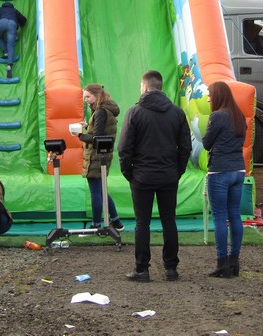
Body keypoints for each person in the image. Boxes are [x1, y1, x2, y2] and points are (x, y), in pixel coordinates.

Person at [118, 70, 192, 283]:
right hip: (168, 175)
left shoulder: (134, 113)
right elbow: (185, 147)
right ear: (160, 86)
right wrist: (177, 170)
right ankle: (171, 268)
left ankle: (142, 269)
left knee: (143, 223)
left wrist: (129, 173)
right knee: (169, 221)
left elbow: (124, 148)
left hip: (142, 176)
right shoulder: (177, 113)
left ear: (144, 87)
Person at [202, 81, 247, 278]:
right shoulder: (239, 116)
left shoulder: (217, 116)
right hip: (238, 169)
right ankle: (234, 261)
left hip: (219, 170)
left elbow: (206, 143)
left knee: (220, 217)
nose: (208, 98)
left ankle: (222, 263)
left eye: (210, 94)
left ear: (218, 95)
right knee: (235, 214)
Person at [77, 84, 124, 230]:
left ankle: (96, 225)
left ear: (97, 96)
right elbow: (100, 131)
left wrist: (79, 135)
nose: (86, 100)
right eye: (84, 97)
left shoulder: (100, 112)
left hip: (96, 156)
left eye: (88, 97)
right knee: (101, 190)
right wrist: (87, 126)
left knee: (96, 192)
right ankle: (116, 221)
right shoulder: (106, 109)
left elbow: (95, 137)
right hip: (104, 154)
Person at [0, 2, 27, 78]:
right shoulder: (14, 11)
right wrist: (20, 23)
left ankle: (5, 52)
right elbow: (23, 20)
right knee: (11, 45)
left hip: (2, 22)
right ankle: (9, 65)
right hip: (12, 24)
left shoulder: (0, 10)